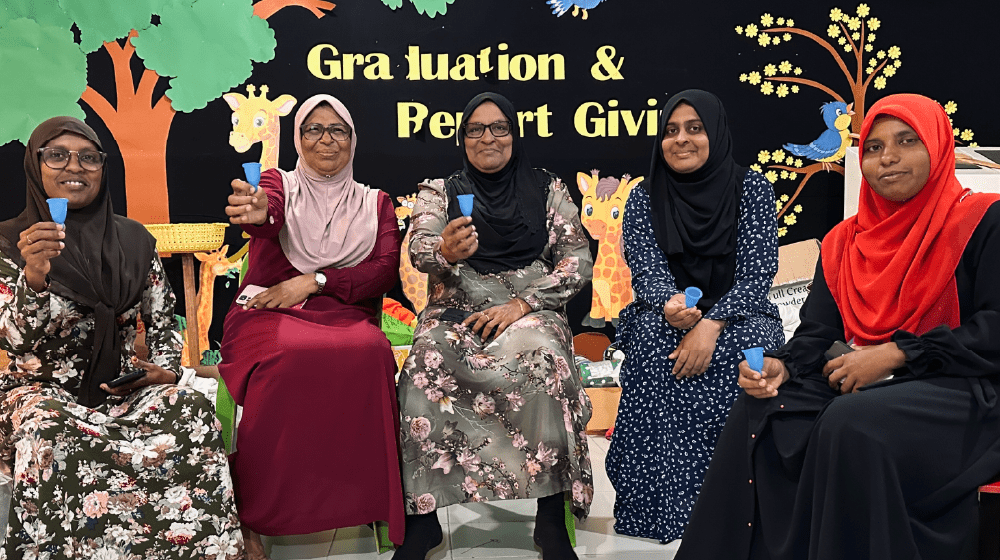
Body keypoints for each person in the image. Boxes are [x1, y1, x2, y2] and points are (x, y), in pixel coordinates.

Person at [675, 93, 1000, 560]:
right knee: (758, 409)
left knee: (851, 423)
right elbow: (816, 333)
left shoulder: (983, 220)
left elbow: (992, 328)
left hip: (962, 390)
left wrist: (897, 353)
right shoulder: (844, 241)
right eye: (873, 147)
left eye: (906, 141)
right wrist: (780, 366)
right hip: (866, 382)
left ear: (938, 146)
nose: (887, 158)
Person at [0, 116, 244, 558]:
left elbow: (164, 322)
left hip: (123, 388)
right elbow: (15, 341)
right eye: (56, 155)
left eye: (89, 157)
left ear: (103, 169)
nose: (74, 166)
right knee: (47, 425)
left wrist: (164, 370)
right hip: (43, 391)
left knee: (188, 407)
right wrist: (34, 277)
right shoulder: (9, 243)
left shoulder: (132, 240)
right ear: (35, 167)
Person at [393, 92, 594, 560]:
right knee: (424, 362)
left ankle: (550, 520)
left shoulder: (548, 189)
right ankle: (422, 523)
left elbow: (577, 259)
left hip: (529, 309)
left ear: (514, 134)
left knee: (546, 362)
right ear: (462, 138)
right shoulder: (438, 191)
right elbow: (420, 248)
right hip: (457, 309)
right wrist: (445, 249)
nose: (488, 138)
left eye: (499, 127)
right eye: (476, 129)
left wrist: (524, 303)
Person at [218, 95, 403, 559]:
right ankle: (255, 514)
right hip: (267, 310)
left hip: (342, 313)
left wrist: (315, 281)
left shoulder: (374, 202)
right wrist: (260, 213)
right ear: (297, 139)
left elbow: (382, 271)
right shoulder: (277, 183)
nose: (326, 139)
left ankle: (363, 501)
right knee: (288, 353)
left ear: (353, 139)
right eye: (313, 129)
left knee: (371, 350)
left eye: (337, 129)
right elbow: (268, 212)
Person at [605, 89, 784, 543]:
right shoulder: (645, 196)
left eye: (694, 128)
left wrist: (710, 323)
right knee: (652, 341)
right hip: (667, 312)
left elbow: (757, 270)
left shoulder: (753, 189)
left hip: (741, 314)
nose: (681, 140)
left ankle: (730, 511)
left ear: (716, 132)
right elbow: (644, 265)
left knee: (735, 354)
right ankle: (654, 510)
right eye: (670, 131)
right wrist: (670, 302)